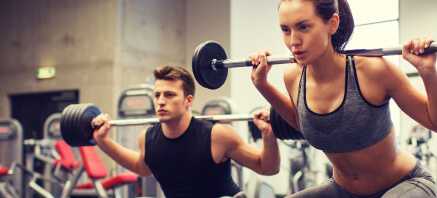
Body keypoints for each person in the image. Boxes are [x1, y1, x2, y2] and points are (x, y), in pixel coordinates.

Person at [249, 0, 437, 197]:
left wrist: (427, 71)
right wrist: (262, 84)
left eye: (303, 27)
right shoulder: (293, 77)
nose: (293, 41)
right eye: (286, 30)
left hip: (403, 183)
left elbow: (433, 122)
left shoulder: (373, 70)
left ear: (332, 23)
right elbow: (301, 123)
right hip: (343, 190)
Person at [91, 66, 280, 198]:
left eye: (169, 94)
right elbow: (143, 168)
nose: (161, 101)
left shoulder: (217, 136)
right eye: (157, 95)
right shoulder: (148, 138)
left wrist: (268, 133)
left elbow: (267, 168)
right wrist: (103, 141)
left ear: (188, 100)